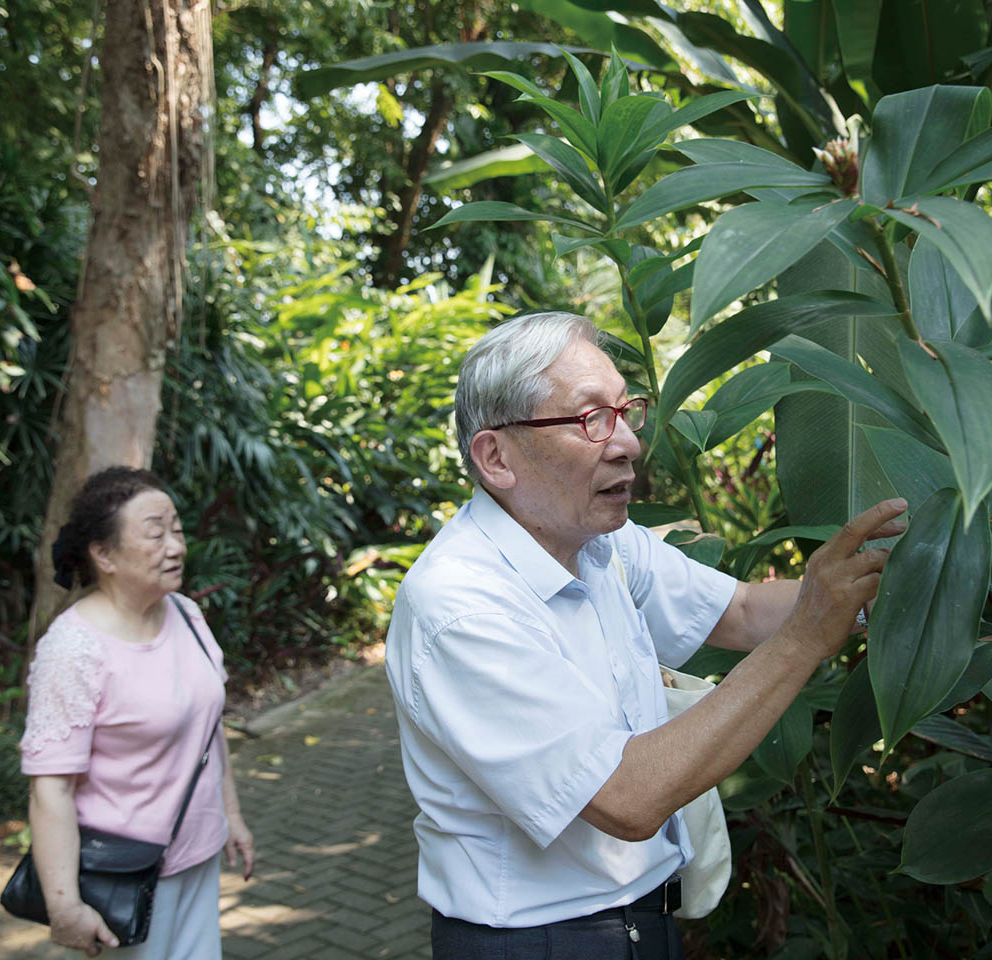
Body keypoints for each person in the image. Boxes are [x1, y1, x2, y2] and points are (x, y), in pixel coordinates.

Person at [386, 312, 906, 958]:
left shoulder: (600, 542)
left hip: (646, 920)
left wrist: (896, 588)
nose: (629, 442)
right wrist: (804, 639)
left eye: (625, 411)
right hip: (539, 942)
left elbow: (741, 611)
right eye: (590, 420)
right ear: (497, 457)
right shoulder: (460, 607)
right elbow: (629, 797)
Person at [20, 467, 256, 958]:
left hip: (198, 854)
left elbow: (208, 730)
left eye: (177, 529)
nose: (175, 546)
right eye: (155, 534)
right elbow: (51, 788)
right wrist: (63, 907)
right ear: (103, 554)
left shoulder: (186, 615)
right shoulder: (73, 648)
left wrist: (230, 815)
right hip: (124, 874)